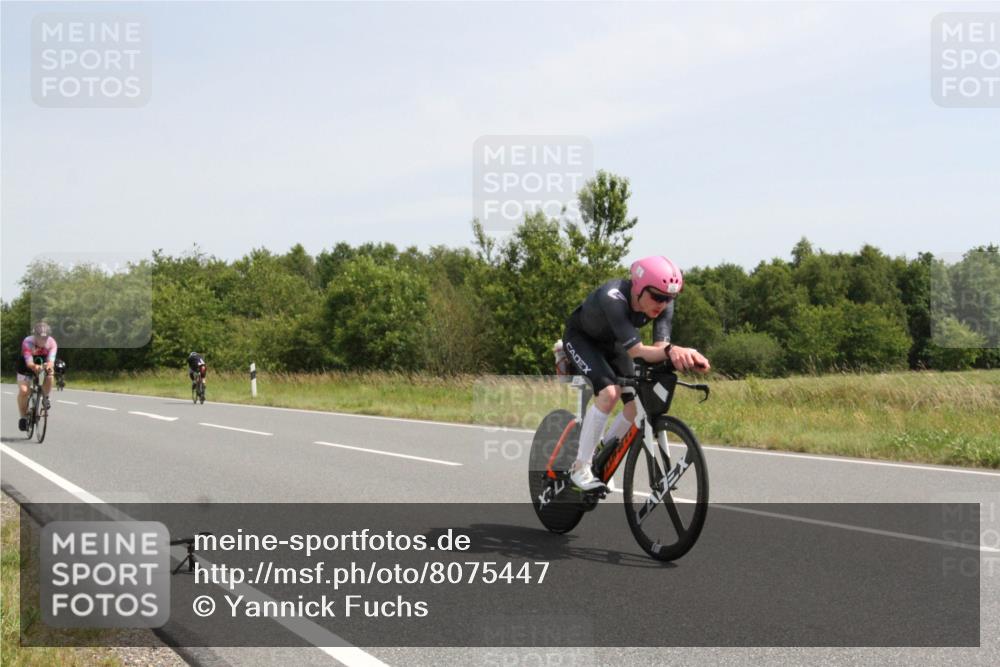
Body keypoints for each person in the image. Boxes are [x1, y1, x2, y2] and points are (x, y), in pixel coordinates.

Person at [561, 256, 711, 491]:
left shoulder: (663, 303)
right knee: (609, 393)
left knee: (633, 406)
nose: (662, 303)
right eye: (657, 296)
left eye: (669, 297)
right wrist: (673, 351)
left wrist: (684, 356)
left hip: (615, 343)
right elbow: (638, 351)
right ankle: (580, 467)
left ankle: (603, 459)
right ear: (639, 288)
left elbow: (661, 349)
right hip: (582, 339)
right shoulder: (614, 297)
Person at [16, 322, 58, 431]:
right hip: (26, 364)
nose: (43, 341)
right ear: (35, 336)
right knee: (24, 391)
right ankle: (23, 417)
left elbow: (51, 361)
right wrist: (35, 367)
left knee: (50, 373)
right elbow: (29, 363)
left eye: (45, 338)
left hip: (43, 361)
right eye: (40, 338)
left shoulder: (52, 343)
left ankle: (45, 397)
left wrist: (48, 366)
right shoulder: (28, 342)